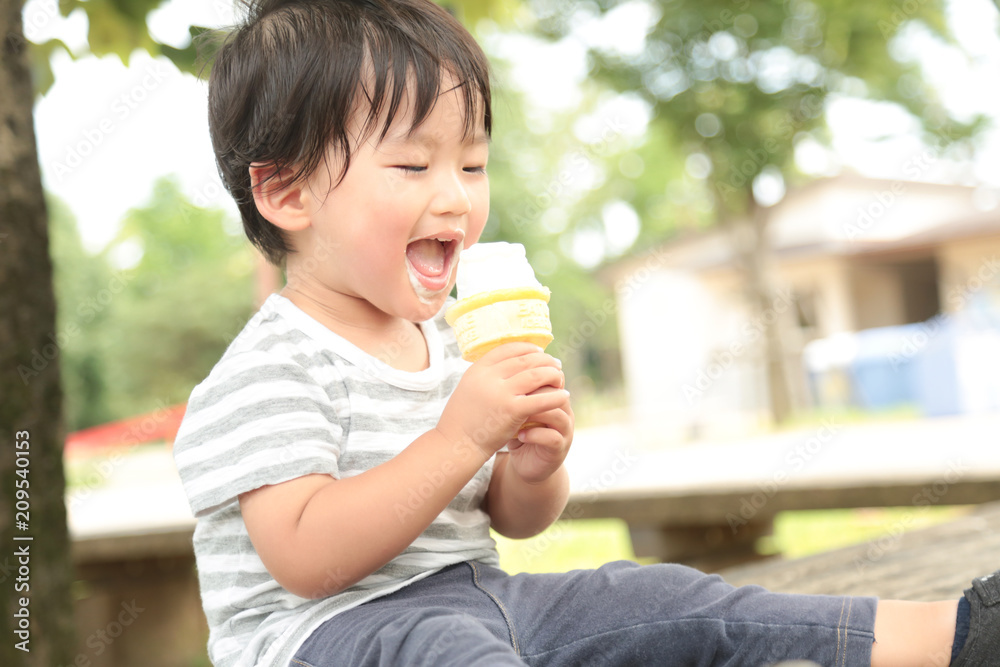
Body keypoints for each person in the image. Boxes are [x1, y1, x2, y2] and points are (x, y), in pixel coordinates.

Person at [172, 0, 999, 665]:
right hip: (331, 636)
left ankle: (946, 635)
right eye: (413, 166)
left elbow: (514, 519)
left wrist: (532, 464)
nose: (457, 196)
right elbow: (307, 556)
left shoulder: (450, 343)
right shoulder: (269, 370)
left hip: (481, 598)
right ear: (287, 193)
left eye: (472, 164)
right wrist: (460, 437)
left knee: (670, 599)